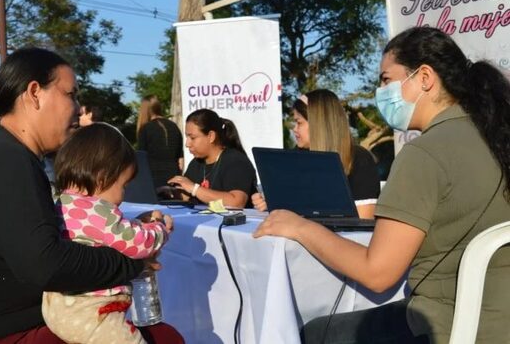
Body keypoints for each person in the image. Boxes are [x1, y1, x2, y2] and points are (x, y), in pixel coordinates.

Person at [254, 27, 510, 343]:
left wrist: (299, 227)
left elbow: (378, 274)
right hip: (499, 321)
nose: (381, 91)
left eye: (386, 79)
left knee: (313, 333)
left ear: (425, 77)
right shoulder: (496, 137)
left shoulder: (424, 154)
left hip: (447, 326)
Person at [0, 48, 147, 343]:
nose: (77, 107)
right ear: (35, 93)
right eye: (71, 94)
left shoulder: (0, 152)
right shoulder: (4, 159)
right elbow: (45, 265)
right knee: (164, 336)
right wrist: (133, 263)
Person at [42, 123, 173, 344]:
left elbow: (102, 234)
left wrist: (136, 222)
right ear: (103, 177)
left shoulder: (61, 202)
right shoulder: (100, 209)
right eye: (124, 185)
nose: (123, 195)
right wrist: (160, 229)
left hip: (58, 306)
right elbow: (139, 244)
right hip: (92, 312)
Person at [252, 89, 381, 218]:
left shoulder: (359, 159)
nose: (294, 129)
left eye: (299, 122)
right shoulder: (297, 156)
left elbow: (364, 219)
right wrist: (273, 201)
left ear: (318, 123)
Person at [168, 108, 256, 209]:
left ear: (211, 136)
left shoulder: (236, 161)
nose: (187, 144)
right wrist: (171, 192)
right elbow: (187, 196)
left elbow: (236, 203)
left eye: (192, 138)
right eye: (187, 138)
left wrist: (195, 188)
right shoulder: (196, 163)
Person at [136, 95, 184, 189]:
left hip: (152, 179)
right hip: (173, 178)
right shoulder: (174, 126)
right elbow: (181, 160)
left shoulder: (145, 128)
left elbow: (141, 158)